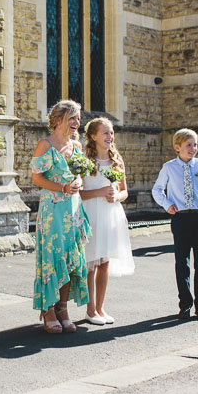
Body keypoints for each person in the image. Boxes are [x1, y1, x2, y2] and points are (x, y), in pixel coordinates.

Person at [31, 100, 91, 334]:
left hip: (73, 210)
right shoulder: (46, 145)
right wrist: (62, 188)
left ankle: (63, 309)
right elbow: (36, 178)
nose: (77, 122)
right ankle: (48, 310)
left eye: (78, 118)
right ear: (58, 121)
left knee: (70, 258)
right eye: (72, 118)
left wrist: (78, 182)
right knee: (53, 257)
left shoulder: (77, 146)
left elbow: (79, 176)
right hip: (53, 210)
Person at [152, 128, 198, 322]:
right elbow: (157, 190)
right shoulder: (169, 168)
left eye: (195, 144)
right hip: (180, 218)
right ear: (177, 147)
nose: (193, 148)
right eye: (189, 145)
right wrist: (167, 205)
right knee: (182, 263)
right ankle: (185, 305)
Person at [79, 118, 135, 326]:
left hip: (111, 214)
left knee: (104, 263)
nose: (110, 137)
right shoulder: (85, 160)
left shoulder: (116, 160)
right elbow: (80, 194)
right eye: (105, 133)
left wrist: (116, 197)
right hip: (92, 213)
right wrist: (100, 192)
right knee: (90, 263)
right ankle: (90, 309)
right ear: (93, 136)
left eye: (111, 133)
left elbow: (124, 191)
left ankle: (101, 307)